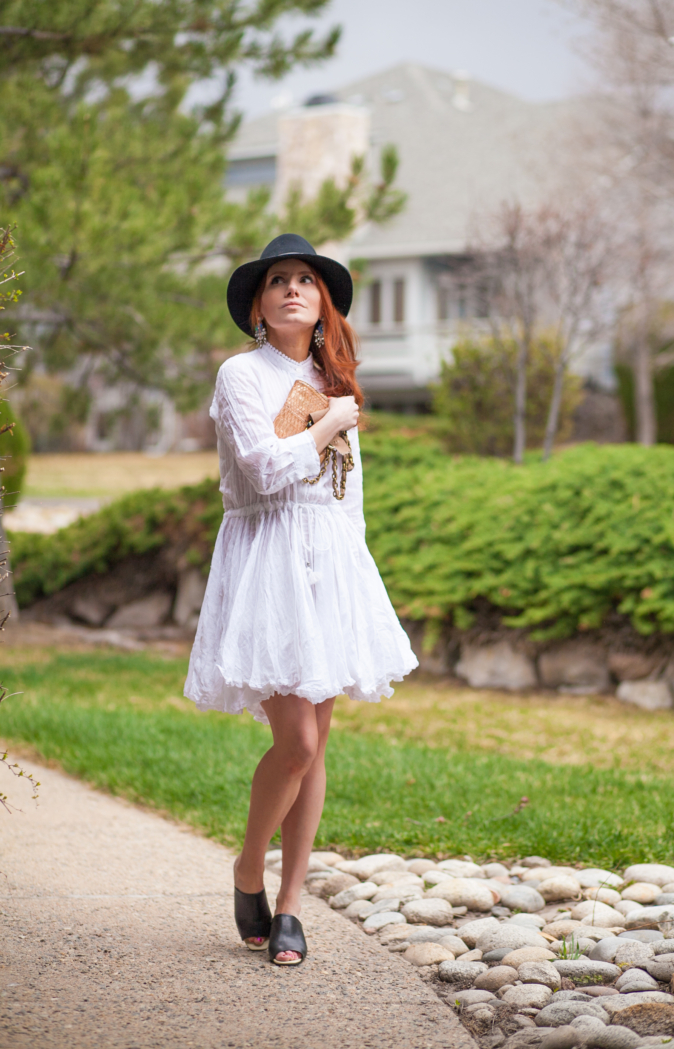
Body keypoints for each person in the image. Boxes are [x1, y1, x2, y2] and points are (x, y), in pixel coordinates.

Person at [184, 234, 417, 965]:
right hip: (267, 562)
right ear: (258, 303)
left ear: (322, 304)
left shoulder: (333, 376)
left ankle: (290, 905)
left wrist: (355, 574)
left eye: (305, 282)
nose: (291, 290)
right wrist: (326, 425)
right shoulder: (241, 376)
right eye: (276, 281)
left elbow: (348, 498)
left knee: (318, 748)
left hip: (331, 565)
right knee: (298, 741)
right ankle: (248, 869)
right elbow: (259, 473)